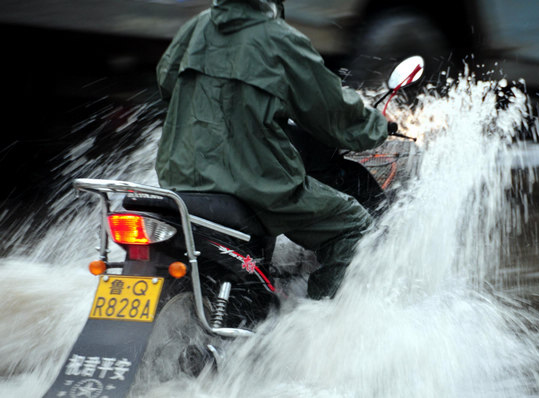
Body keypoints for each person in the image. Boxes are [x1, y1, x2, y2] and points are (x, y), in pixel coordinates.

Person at [155, 0, 393, 299]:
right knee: (353, 226)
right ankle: (319, 328)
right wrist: (378, 126)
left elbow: (166, 83)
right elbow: (331, 111)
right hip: (255, 182)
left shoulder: (197, 26)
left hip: (180, 175)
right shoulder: (280, 39)